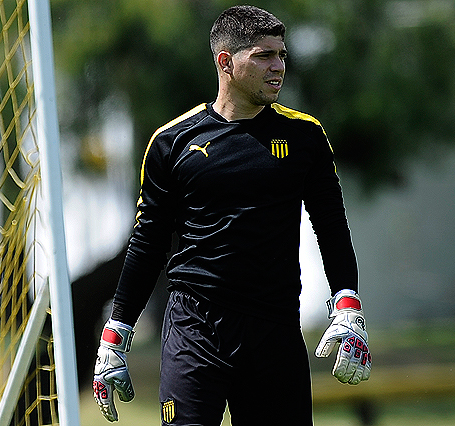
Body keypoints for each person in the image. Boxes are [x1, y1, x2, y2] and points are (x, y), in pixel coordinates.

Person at [93, 5, 371, 425]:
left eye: (281, 55)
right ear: (226, 62)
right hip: (194, 329)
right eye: (264, 56)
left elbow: (331, 225)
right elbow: (148, 243)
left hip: (274, 329)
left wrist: (347, 302)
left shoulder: (305, 136)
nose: (278, 67)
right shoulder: (172, 142)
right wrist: (115, 335)